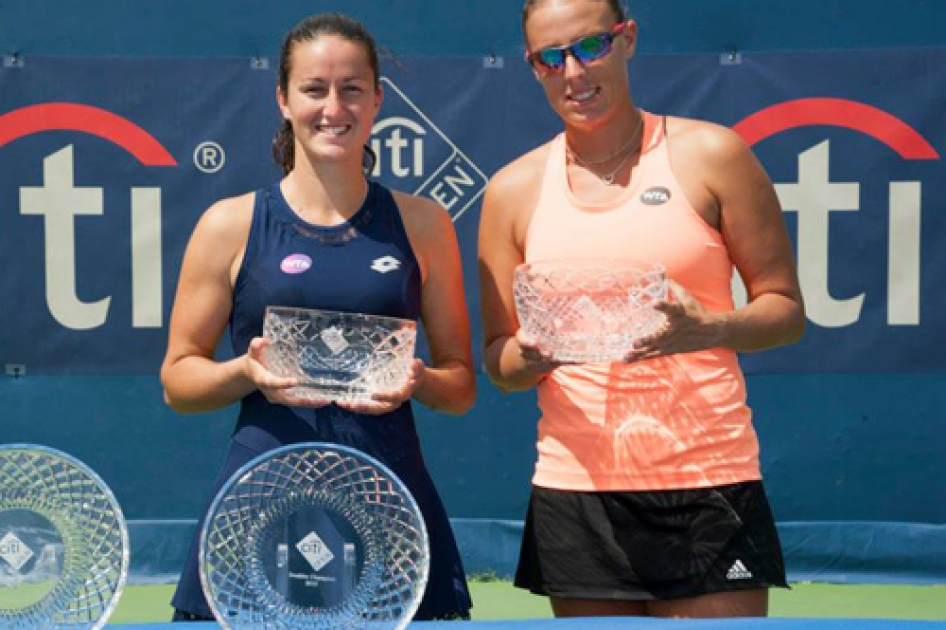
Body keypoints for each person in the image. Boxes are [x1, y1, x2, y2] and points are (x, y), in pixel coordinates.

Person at [478, 0, 805, 620]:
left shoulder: (714, 155)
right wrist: (532, 356)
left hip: (708, 480)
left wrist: (711, 327)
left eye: (590, 47)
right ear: (534, 69)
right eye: (551, 58)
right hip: (577, 490)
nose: (573, 72)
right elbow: (499, 361)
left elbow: (785, 311)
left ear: (627, 39)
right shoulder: (511, 191)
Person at [161, 13, 475, 621]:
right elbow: (178, 381)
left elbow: (460, 384)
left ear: (378, 99)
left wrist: (421, 381)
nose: (334, 106)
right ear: (283, 99)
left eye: (352, 87)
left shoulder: (424, 224)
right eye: (314, 88)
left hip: (392, 507)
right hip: (261, 506)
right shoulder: (228, 225)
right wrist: (246, 374)